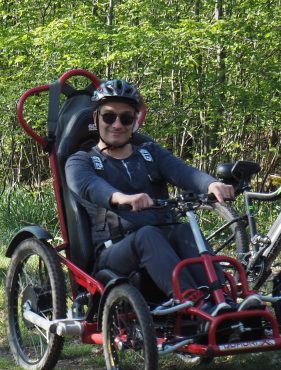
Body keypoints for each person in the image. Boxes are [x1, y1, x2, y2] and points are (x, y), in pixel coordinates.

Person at [64, 79, 235, 307]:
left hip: (162, 240)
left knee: (185, 231)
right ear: (96, 119)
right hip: (114, 252)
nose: (117, 124)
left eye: (126, 118)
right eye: (108, 117)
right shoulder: (81, 161)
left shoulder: (149, 153)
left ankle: (222, 301)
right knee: (147, 235)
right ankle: (194, 305)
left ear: (134, 122)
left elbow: (184, 172)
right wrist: (122, 198)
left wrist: (211, 185)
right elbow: (92, 188)